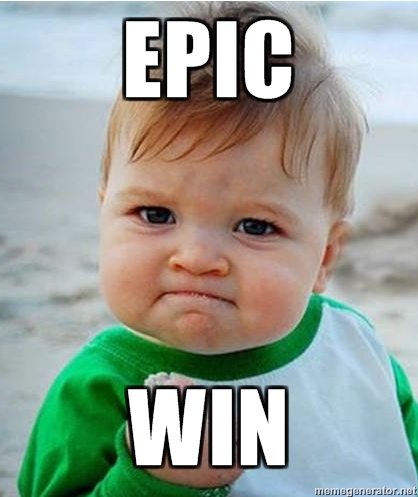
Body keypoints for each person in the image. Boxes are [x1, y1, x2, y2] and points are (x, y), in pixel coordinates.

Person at [18, 2, 418, 496]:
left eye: (255, 226)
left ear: (324, 258)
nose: (197, 258)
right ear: (106, 216)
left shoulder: (355, 350)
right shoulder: (101, 389)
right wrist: (155, 481)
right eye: (155, 215)